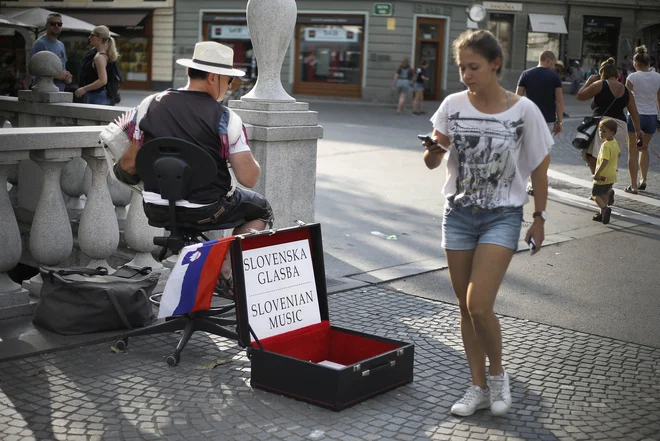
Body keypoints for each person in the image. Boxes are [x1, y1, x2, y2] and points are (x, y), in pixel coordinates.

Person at [422, 29, 552, 417]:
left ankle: (498, 377)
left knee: (479, 304)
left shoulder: (523, 111)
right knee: (464, 308)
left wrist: (539, 217)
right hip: (458, 214)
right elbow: (433, 159)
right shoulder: (452, 105)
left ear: (495, 64)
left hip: (503, 215)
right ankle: (477, 387)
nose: (466, 75)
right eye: (462, 67)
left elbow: (540, 170)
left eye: (473, 66)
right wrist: (431, 151)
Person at [114, 41, 274, 291]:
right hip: (207, 209)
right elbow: (249, 178)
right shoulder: (226, 118)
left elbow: (129, 165)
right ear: (213, 77)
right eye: (229, 81)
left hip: (156, 206)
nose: (229, 87)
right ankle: (225, 271)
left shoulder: (150, 104)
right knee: (262, 210)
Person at [577, 58, 643, 178]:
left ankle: (600, 186)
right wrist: (638, 130)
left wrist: (588, 81)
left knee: (593, 156)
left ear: (602, 74)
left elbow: (580, 96)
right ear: (617, 74)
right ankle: (607, 185)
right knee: (610, 158)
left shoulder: (599, 84)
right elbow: (634, 113)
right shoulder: (626, 90)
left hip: (603, 125)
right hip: (621, 127)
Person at [516, 50, 564, 195]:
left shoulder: (526, 74)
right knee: (543, 152)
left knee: (529, 151)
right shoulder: (554, 77)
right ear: (548, 61)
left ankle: (530, 183)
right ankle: (538, 181)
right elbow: (559, 101)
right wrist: (559, 121)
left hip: (528, 119)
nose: (554, 67)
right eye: (554, 64)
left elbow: (518, 98)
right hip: (547, 120)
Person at [625, 45, 660, 193]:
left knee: (632, 151)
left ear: (636, 63)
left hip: (635, 116)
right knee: (643, 148)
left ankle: (633, 185)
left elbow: (625, 98)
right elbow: (659, 99)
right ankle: (643, 180)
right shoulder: (658, 77)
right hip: (652, 116)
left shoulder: (632, 77)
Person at [75, 26, 119, 105]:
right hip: (100, 95)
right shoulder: (104, 54)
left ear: (100, 38)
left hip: (98, 96)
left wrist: (84, 89)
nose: (89, 38)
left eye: (92, 35)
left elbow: (102, 80)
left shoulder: (100, 57)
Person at [30, 13, 72, 91]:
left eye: (59, 24)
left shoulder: (61, 44)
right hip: (44, 91)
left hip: (60, 91)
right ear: (47, 26)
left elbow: (63, 67)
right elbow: (37, 70)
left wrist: (67, 77)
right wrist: (60, 75)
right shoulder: (40, 43)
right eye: (53, 24)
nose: (56, 26)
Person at [591, 118, 620, 225]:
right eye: (600, 130)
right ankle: (602, 214)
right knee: (603, 195)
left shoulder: (605, 145)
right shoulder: (614, 142)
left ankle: (605, 209)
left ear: (612, 132)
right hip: (611, 175)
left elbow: (604, 160)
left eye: (604, 131)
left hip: (603, 175)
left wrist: (597, 174)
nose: (600, 133)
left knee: (595, 195)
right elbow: (618, 154)